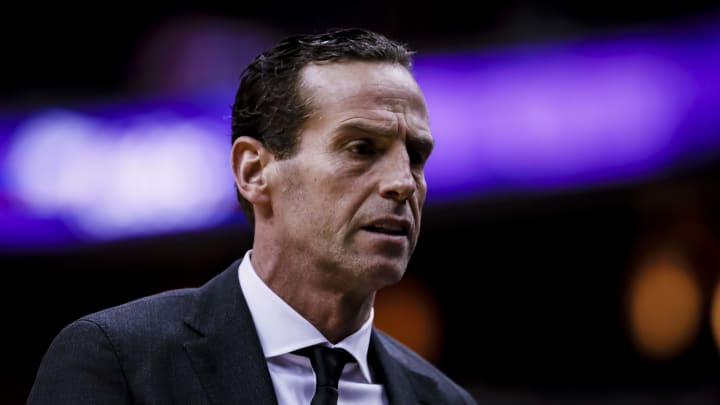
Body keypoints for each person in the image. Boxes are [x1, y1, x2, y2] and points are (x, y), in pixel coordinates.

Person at [28, 27, 478, 404]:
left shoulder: (443, 399)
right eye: (361, 148)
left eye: (416, 156)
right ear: (254, 171)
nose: (403, 182)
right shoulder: (118, 359)